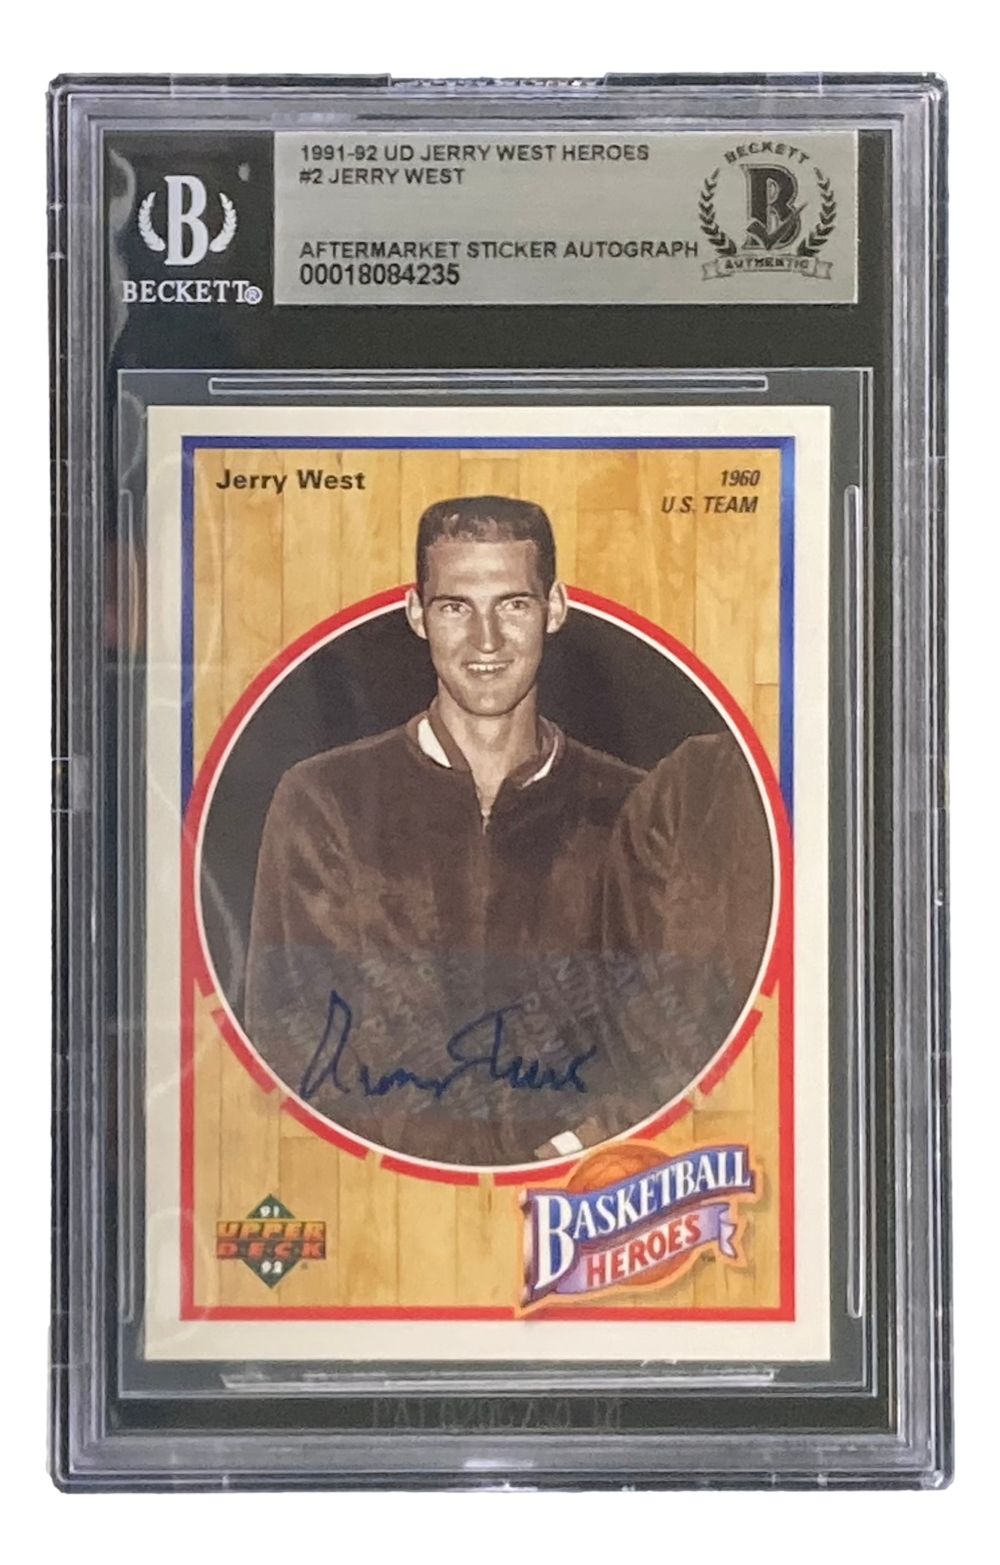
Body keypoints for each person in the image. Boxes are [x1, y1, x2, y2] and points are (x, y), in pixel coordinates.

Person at [245, 496, 646, 1165]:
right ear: (416, 613)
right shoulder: (325, 800)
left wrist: (573, 1150)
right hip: (377, 1200)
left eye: (512, 604)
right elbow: (287, 1043)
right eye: (456, 606)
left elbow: (677, 1034)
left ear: (554, 607)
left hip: (577, 1202)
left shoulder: (635, 808)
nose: (486, 640)